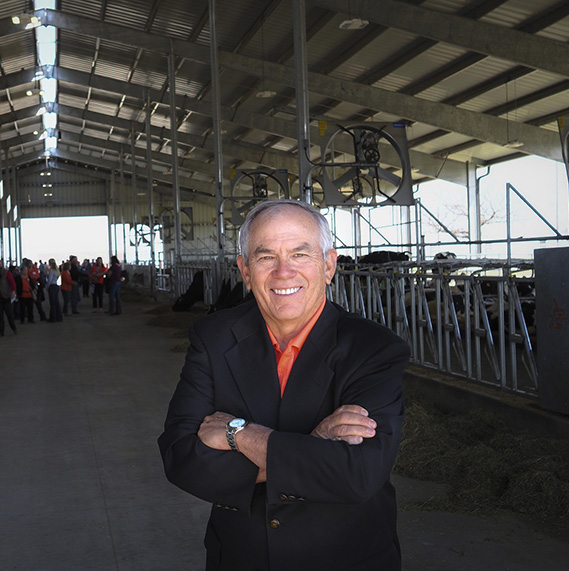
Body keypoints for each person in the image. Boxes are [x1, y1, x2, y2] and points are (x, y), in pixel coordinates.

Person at [157, 199, 410, 570]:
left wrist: (240, 435)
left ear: (328, 265)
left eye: (300, 254)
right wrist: (314, 447)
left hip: (345, 558)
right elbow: (181, 458)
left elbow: (358, 474)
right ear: (244, 270)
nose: (283, 272)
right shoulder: (213, 338)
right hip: (243, 558)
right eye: (265, 257)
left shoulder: (373, 349)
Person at [0, 260, 17, 336]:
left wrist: (13, 292)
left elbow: (12, 283)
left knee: (9, 314)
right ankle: (0, 331)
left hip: (5, 296)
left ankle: (13, 328)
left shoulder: (6, 273)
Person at [46, 258, 64, 322]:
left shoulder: (51, 270)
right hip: (56, 286)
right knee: (56, 302)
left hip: (52, 287)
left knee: (52, 303)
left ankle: (53, 318)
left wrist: (47, 287)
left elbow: (49, 280)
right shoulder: (57, 270)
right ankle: (59, 317)